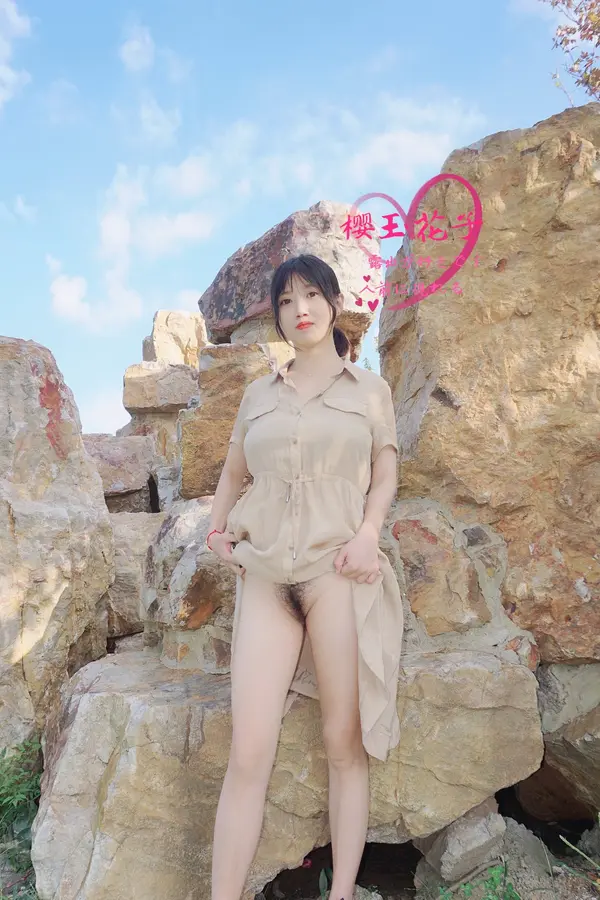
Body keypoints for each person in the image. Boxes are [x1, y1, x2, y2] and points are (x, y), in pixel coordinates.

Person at [208, 254, 404, 900]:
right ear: (278, 316)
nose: (301, 309)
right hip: (266, 574)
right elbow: (233, 472)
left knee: (342, 741)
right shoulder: (257, 395)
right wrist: (216, 530)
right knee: (248, 751)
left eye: (312, 295)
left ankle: (340, 892)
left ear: (333, 303)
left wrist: (369, 533)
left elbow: (385, 472)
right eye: (287, 300)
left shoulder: (369, 391)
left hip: (335, 572)